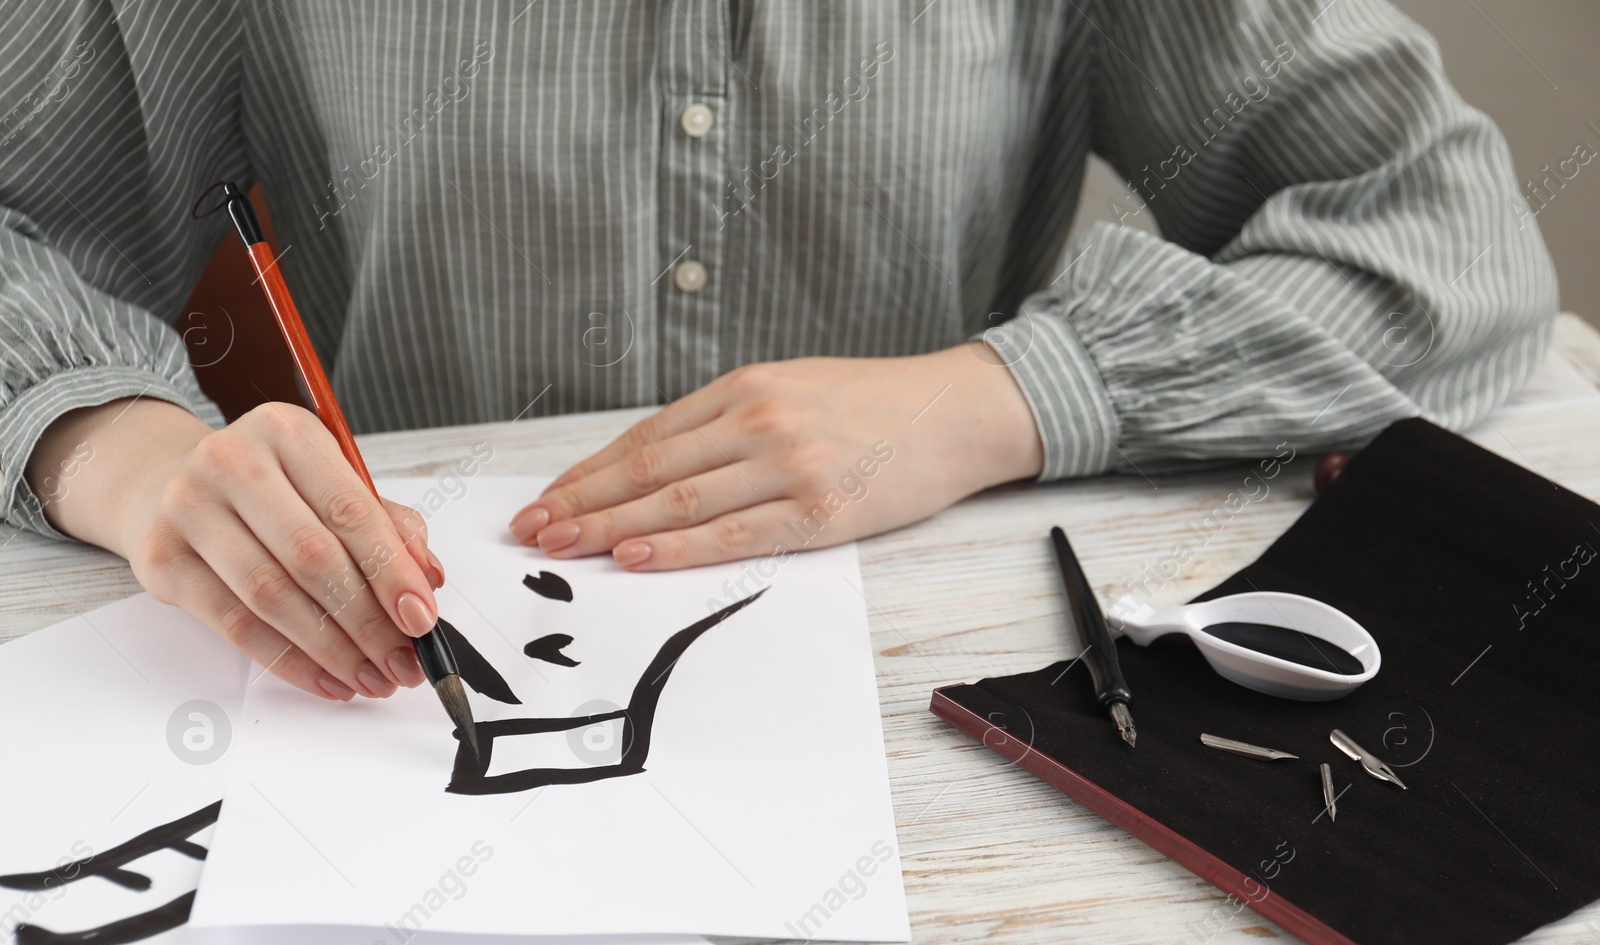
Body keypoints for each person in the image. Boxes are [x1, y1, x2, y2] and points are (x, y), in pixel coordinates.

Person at [1, 1, 1557, 704]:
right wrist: (120, 449)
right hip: (382, 695)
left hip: (948, 737)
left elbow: (1451, 235)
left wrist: (1003, 396)